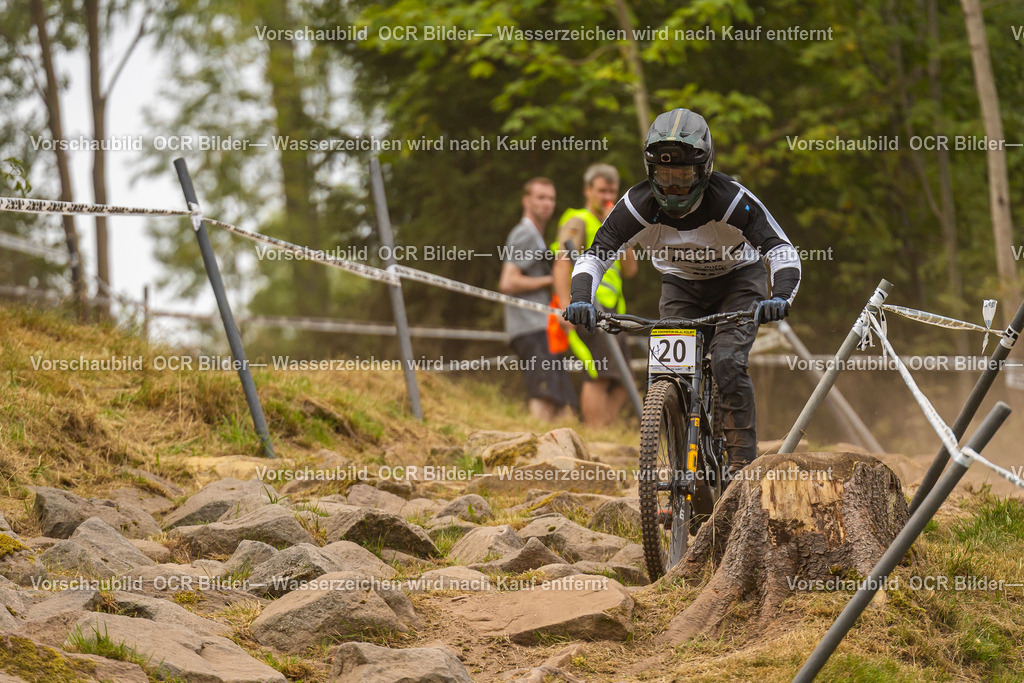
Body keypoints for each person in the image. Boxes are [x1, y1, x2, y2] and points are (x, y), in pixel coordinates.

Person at [565, 108, 801, 477]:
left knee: (726, 360)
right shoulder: (635, 206)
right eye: (665, 175)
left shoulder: (732, 200)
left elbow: (779, 249)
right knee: (671, 372)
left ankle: (741, 462)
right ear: (650, 172)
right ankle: (680, 465)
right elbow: (595, 257)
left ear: (704, 170)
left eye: (683, 176)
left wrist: (781, 296)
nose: (673, 187)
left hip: (739, 280)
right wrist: (580, 299)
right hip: (680, 285)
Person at [552, 164, 638, 426]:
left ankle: (602, 431)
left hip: (613, 311)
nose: (606, 196)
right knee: (598, 373)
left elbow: (631, 269)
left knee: (625, 380)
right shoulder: (578, 220)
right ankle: (596, 433)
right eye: (601, 190)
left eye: (612, 190)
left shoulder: (616, 223)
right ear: (587, 191)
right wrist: (565, 306)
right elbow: (562, 263)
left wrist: (621, 227)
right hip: (586, 306)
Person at [499, 177, 577, 421]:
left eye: (551, 198)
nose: (547, 203)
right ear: (526, 201)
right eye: (540, 197)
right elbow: (508, 282)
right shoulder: (525, 234)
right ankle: (531, 452)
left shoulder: (535, 236)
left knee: (560, 404)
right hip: (530, 328)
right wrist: (552, 279)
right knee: (544, 398)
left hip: (542, 328)